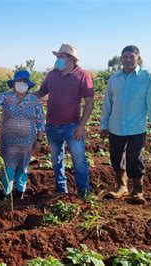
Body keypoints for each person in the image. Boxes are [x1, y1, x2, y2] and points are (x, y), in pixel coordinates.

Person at [101, 45, 151, 204]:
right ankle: (122, 187)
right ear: (121, 59)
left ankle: (137, 191)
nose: (128, 60)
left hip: (136, 127)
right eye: (125, 57)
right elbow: (108, 102)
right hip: (115, 127)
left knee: (135, 159)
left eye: (131, 57)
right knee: (116, 158)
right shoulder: (114, 78)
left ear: (138, 58)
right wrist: (104, 124)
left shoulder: (147, 77)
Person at [34, 44, 94, 198]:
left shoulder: (82, 75)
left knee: (79, 160)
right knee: (56, 160)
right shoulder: (52, 74)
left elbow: (90, 102)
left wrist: (81, 125)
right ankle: (61, 191)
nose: (58, 59)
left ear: (71, 59)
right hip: (52, 126)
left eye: (61, 56)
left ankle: (84, 193)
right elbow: (42, 92)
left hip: (72, 127)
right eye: (57, 56)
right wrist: (22, 97)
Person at [0, 70, 44, 200]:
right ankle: (6, 195)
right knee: (8, 168)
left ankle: (20, 194)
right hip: (8, 142)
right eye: (18, 81)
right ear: (13, 84)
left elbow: (41, 121)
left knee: (23, 168)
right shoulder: (6, 97)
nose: (21, 84)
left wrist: (39, 140)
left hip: (27, 141)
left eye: (24, 82)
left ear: (28, 85)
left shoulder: (34, 100)